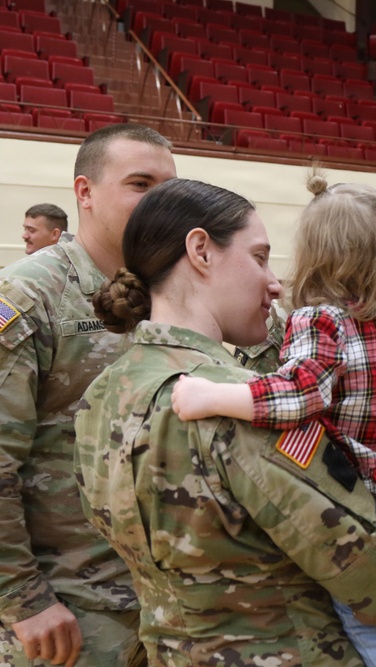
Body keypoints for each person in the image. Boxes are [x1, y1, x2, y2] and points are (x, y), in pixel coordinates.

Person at [75, 178, 376, 665]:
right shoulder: (237, 406)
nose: (275, 282)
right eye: (260, 257)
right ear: (201, 251)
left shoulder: (102, 393)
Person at [0, 123, 176, 667]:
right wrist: (22, 600)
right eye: (141, 184)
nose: (160, 204)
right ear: (85, 193)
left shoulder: (168, 295)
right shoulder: (28, 294)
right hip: (68, 612)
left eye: (169, 189)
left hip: (163, 610)